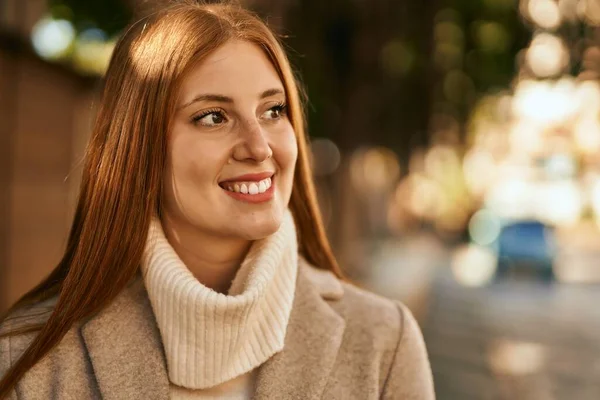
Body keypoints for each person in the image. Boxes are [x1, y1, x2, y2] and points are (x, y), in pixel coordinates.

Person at [0, 1, 435, 398]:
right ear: (139, 148)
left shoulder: (383, 341)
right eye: (213, 117)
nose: (259, 146)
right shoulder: (29, 361)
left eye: (273, 110)